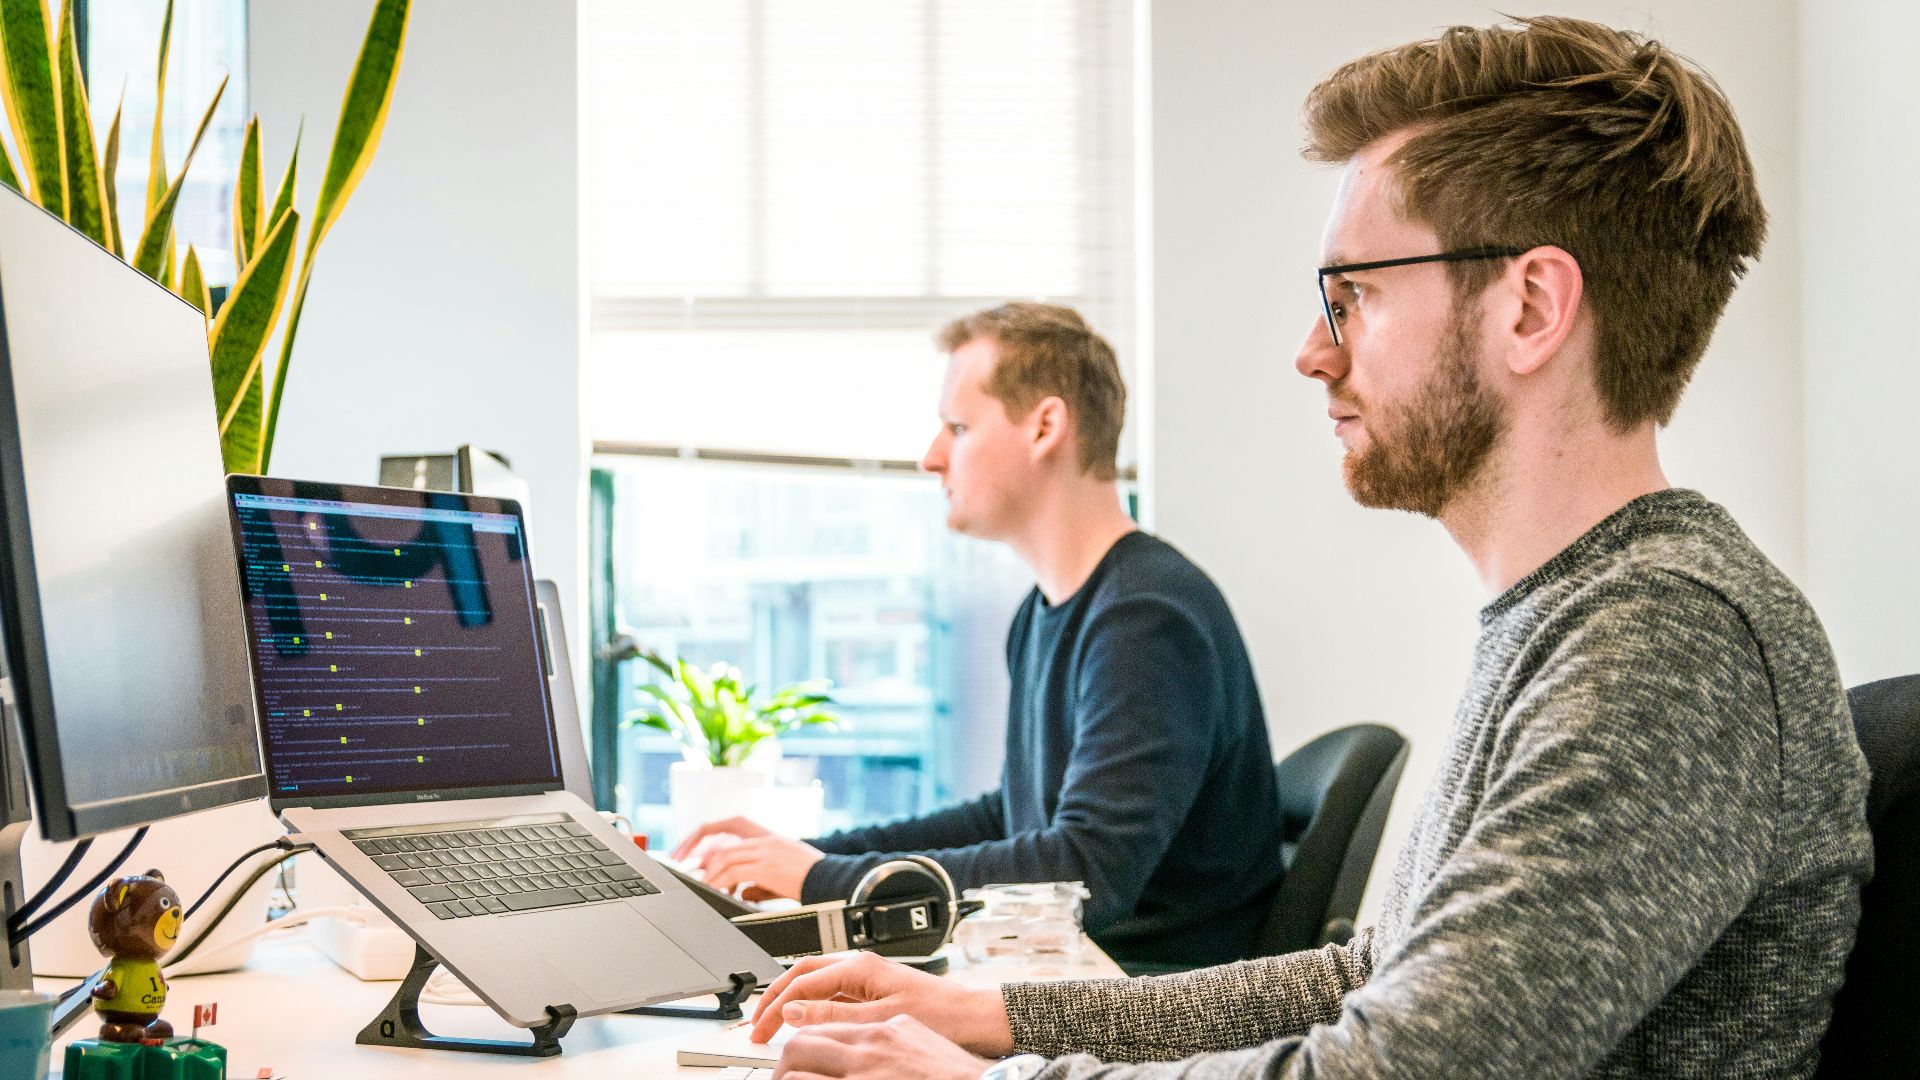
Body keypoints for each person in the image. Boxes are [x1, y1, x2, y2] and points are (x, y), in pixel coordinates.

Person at [741, 17, 1874, 1080]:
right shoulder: (1577, 615)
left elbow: (1397, 1070)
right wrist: (997, 1017)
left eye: (1353, 297)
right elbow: (1367, 980)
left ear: (1530, 308)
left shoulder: (1664, 640)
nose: (1311, 353)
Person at [674, 301, 1286, 970]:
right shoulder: (1048, 612)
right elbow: (1012, 818)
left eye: (958, 427)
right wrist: (814, 856)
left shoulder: (1146, 618)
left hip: (1145, 1004)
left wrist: (821, 881)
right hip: (1071, 975)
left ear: (1045, 426)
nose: (931, 458)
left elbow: (1084, 874)